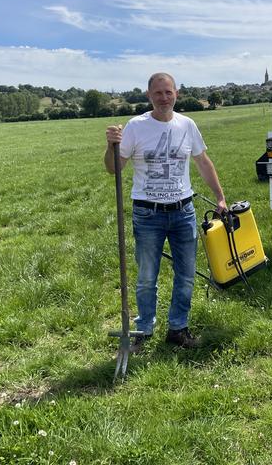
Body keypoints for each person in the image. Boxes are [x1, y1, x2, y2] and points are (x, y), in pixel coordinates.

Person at [105, 72, 226, 350]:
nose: (163, 98)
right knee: (147, 276)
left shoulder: (187, 124)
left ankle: (177, 329)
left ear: (176, 94)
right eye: (158, 93)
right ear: (149, 95)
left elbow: (203, 162)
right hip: (148, 214)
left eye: (168, 92)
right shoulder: (136, 126)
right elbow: (114, 168)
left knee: (185, 274)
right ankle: (143, 330)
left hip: (183, 212)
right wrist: (110, 145)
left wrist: (220, 197)